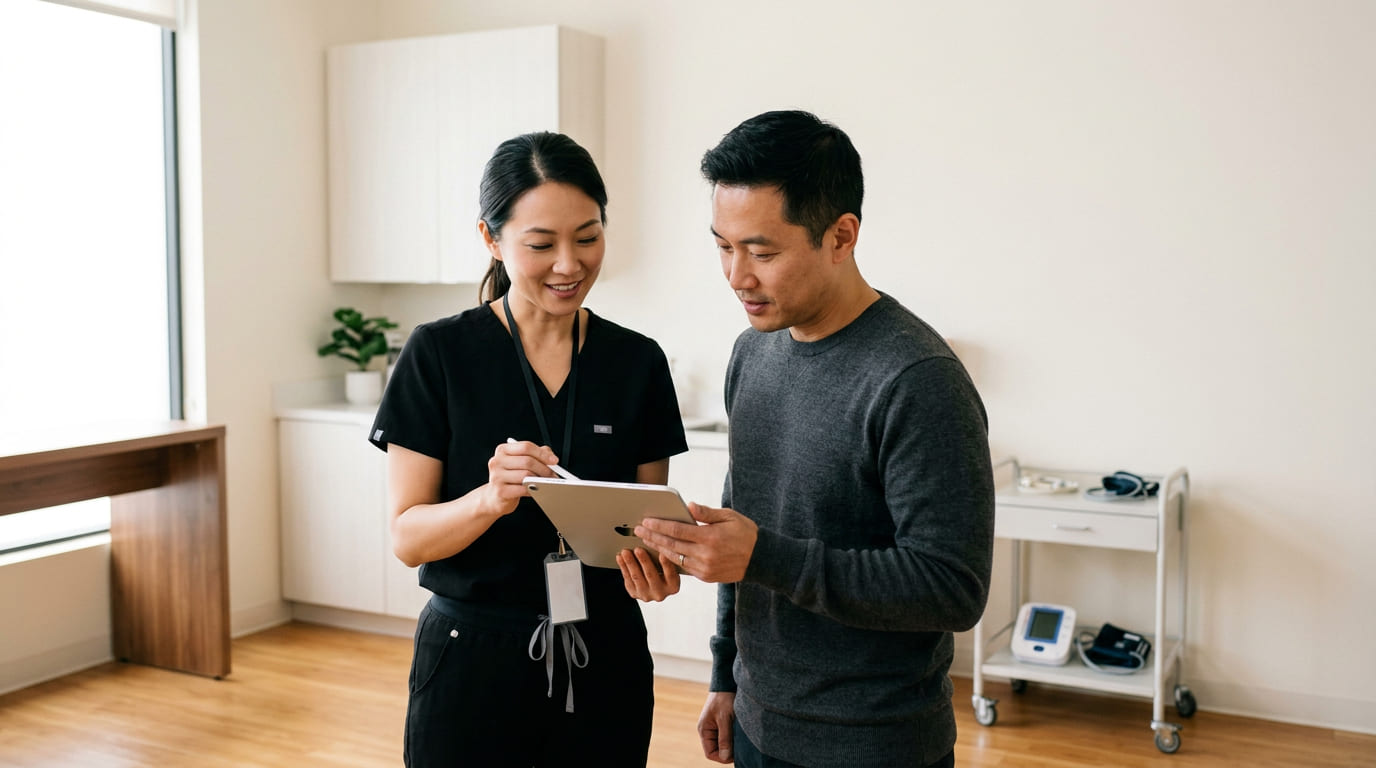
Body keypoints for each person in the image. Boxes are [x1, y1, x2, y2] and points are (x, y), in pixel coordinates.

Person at [634, 110, 996, 767]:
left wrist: (764, 557)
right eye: (723, 245)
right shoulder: (752, 354)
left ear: (841, 235)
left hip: (874, 747)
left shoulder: (918, 380)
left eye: (762, 251)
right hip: (756, 723)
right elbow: (739, 524)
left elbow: (953, 588)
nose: (737, 275)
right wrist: (725, 677)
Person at [369, 131, 687, 767]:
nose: (569, 265)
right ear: (491, 239)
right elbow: (408, 539)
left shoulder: (638, 362)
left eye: (588, 237)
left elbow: (650, 528)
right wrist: (488, 500)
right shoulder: (438, 354)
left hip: (607, 652)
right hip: (472, 654)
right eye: (541, 245)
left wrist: (661, 567)